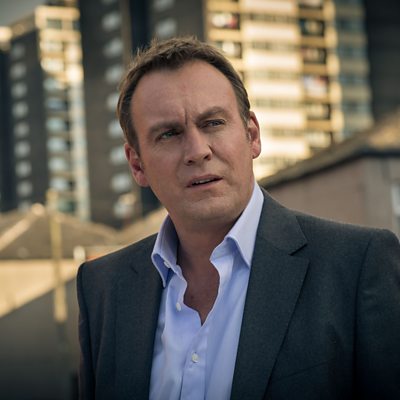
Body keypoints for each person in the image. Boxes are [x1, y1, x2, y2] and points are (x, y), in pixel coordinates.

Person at [77, 37, 400, 400]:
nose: (197, 151)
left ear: (252, 135)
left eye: (213, 122)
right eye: (169, 134)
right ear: (137, 164)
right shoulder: (103, 287)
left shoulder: (357, 265)